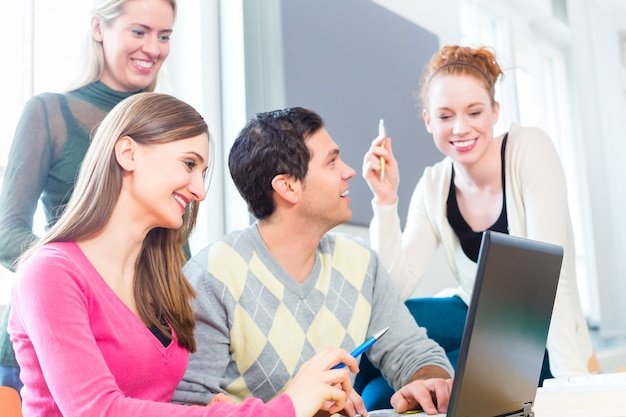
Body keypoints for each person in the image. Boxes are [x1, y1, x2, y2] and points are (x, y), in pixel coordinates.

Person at [8, 92, 358, 417]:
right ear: (128, 153)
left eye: (202, 173)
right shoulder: (49, 273)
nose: (199, 191)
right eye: (189, 164)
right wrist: (286, 407)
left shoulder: (158, 280)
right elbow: (98, 411)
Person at [173, 107, 454, 416]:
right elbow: (187, 407)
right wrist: (297, 408)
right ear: (288, 187)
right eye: (332, 162)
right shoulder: (212, 275)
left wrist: (429, 383)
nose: (348, 171)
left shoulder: (361, 264)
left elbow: (414, 353)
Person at [362, 45, 597, 385]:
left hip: (533, 328)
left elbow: (550, 277)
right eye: (445, 116)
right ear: (428, 120)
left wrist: (573, 384)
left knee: (381, 396)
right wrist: (385, 202)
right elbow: (394, 289)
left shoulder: (529, 150)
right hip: (471, 316)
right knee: (380, 326)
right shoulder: (432, 185)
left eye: (474, 112)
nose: (460, 128)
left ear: (494, 111)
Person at [0, 0, 178, 392]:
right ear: (99, 28)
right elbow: (8, 233)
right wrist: (82, 283)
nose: (153, 48)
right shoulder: (48, 112)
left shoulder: (170, 127)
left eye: (164, 36)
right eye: (139, 31)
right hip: (50, 342)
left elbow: (171, 245)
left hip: (141, 343)